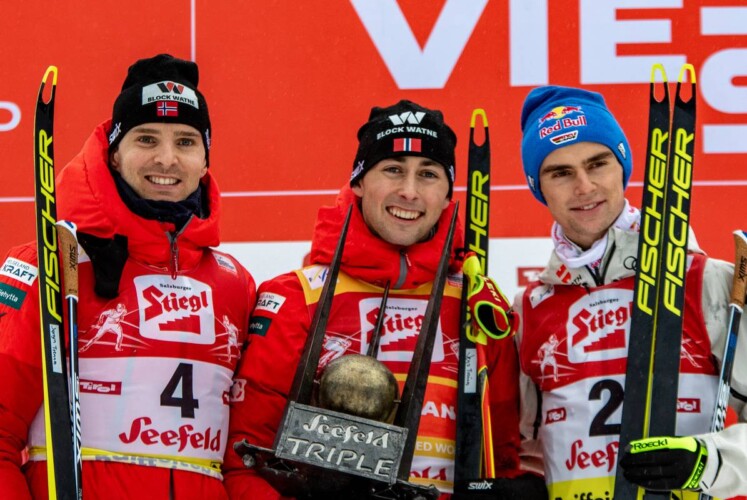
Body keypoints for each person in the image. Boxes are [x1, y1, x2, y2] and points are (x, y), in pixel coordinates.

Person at [222, 100, 546, 498]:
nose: (409, 191)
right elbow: (245, 460)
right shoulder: (297, 297)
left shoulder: (478, 306)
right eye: (393, 169)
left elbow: (504, 459)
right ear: (358, 182)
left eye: (428, 174)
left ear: (448, 194)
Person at [0, 54, 257, 499]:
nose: (166, 159)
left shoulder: (235, 285)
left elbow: (244, 457)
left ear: (205, 160)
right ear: (114, 155)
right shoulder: (52, 264)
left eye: (186, 142)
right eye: (146, 139)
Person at [511, 85, 747, 499]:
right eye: (560, 173)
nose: (584, 186)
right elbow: (523, 451)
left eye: (597, 163)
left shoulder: (706, 281)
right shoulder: (528, 309)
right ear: (538, 187)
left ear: (622, 167)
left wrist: (711, 462)